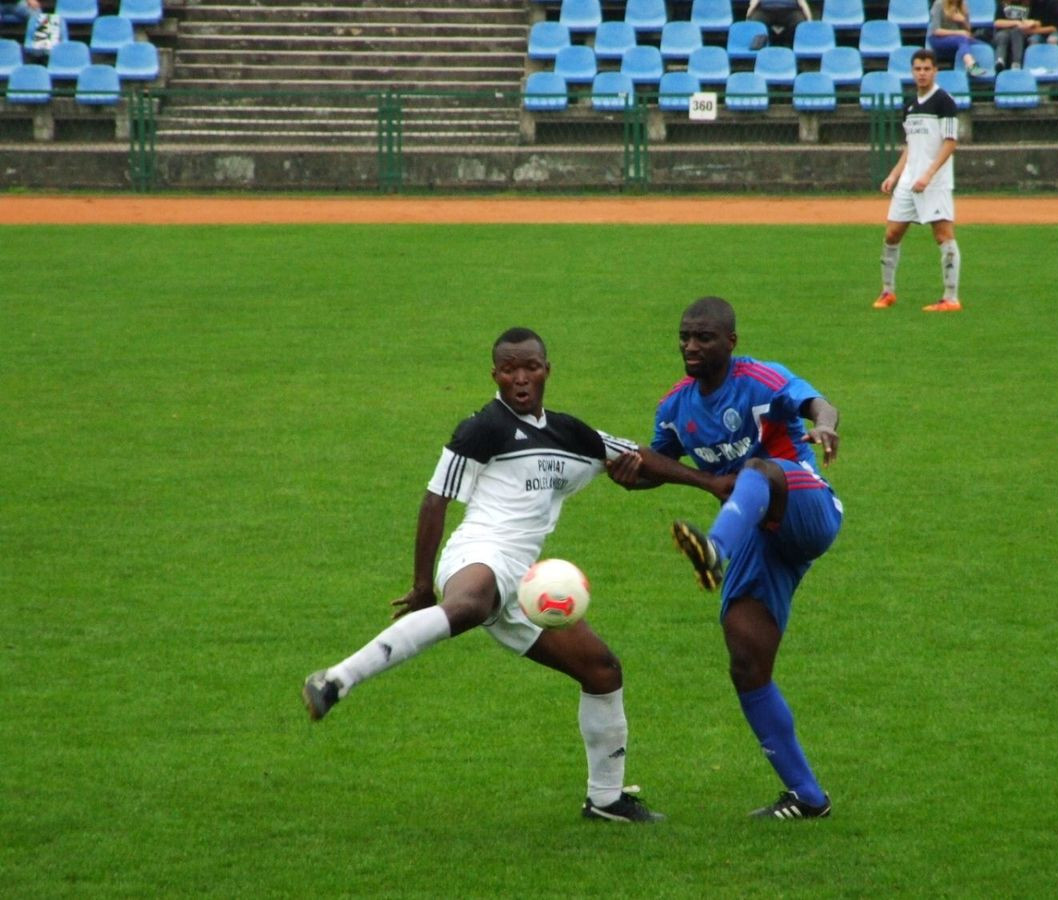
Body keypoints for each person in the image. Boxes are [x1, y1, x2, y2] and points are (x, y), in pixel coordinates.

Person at [301, 327, 724, 823]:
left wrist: (709, 483)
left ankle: (606, 801)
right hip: (478, 553)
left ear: (547, 370)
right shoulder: (483, 428)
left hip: (526, 583)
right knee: (470, 603)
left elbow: (636, 461)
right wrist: (421, 585)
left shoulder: (571, 433)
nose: (520, 379)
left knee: (602, 671)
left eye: (530, 368)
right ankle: (336, 680)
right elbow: (435, 499)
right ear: (495, 375)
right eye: (508, 370)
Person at [607, 296, 844, 821]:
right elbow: (654, 464)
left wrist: (825, 425)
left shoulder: (760, 379)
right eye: (685, 337)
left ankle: (714, 550)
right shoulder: (676, 406)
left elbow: (817, 405)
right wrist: (631, 475)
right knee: (746, 661)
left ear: (730, 342)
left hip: (804, 503)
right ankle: (808, 797)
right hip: (760, 540)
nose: (691, 346)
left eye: (705, 337)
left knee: (759, 468)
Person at [874, 48, 964, 313]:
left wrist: (929, 173)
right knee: (892, 234)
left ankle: (951, 298)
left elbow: (950, 142)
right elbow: (911, 146)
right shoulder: (910, 106)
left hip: (933, 182)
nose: (922, 73)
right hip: (909, 182)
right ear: (912, 72)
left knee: (943, 235)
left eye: (927, 68)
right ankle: (888, 292)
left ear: (935, 71)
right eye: (918, 69)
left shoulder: (944, 101)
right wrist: (895, 174)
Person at [927, 0, 991, 77]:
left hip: (959, 39)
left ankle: (981, 68)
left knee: (984, 47)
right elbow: (936, 31)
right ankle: (971, 65)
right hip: (938, 40)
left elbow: (968, 32)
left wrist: (963, 21)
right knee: (961, 39)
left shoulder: (963, 5)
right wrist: (958, 32)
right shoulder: (939, 4)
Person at [746, 0, 814, 49]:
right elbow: (754, 2)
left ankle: (788, 43)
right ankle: (765, 42)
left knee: (799, 21)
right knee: (756, 21)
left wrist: (809, 20)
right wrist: (748, 17)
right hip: (765, 10)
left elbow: (802, 3)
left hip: (790, 10)